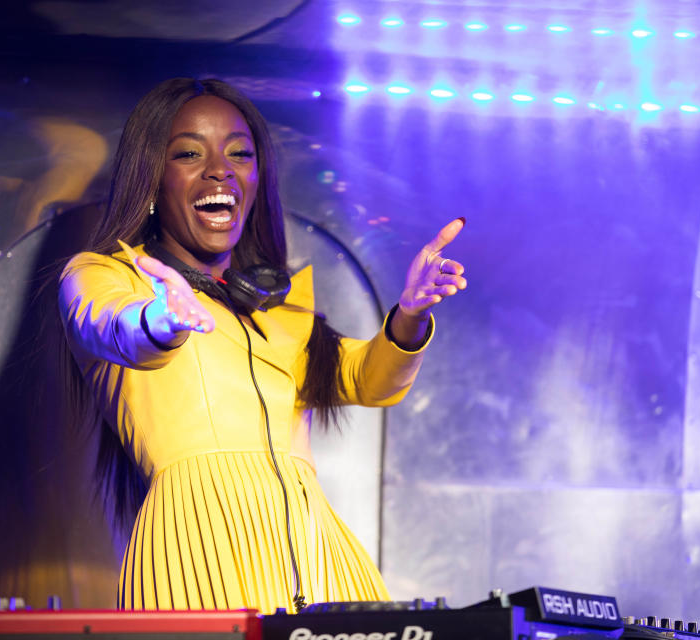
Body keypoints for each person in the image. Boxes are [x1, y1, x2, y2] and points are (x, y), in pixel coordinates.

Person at [57, 78, 466, 613]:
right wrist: (163, 318)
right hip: (198, 540)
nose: (219, 169)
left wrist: (410, 313)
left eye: (239, 154)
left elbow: (367, 378)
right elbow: (111, 326)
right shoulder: (108, 275)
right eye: (188, 153)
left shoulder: (276, 303)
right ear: (152, 180)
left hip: (315, 548)